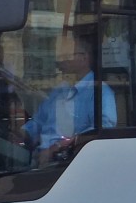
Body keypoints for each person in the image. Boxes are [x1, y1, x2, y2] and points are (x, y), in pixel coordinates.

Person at [23, 38, 116, 166]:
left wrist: (56, 148)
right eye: (59, 57)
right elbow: (38, 122)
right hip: (40, 159)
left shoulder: (100, 91)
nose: (61, 62)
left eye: (66, 56)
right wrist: (20, 134)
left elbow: (101, 131)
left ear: (84, 58)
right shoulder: (60, 90)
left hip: (71, 162)